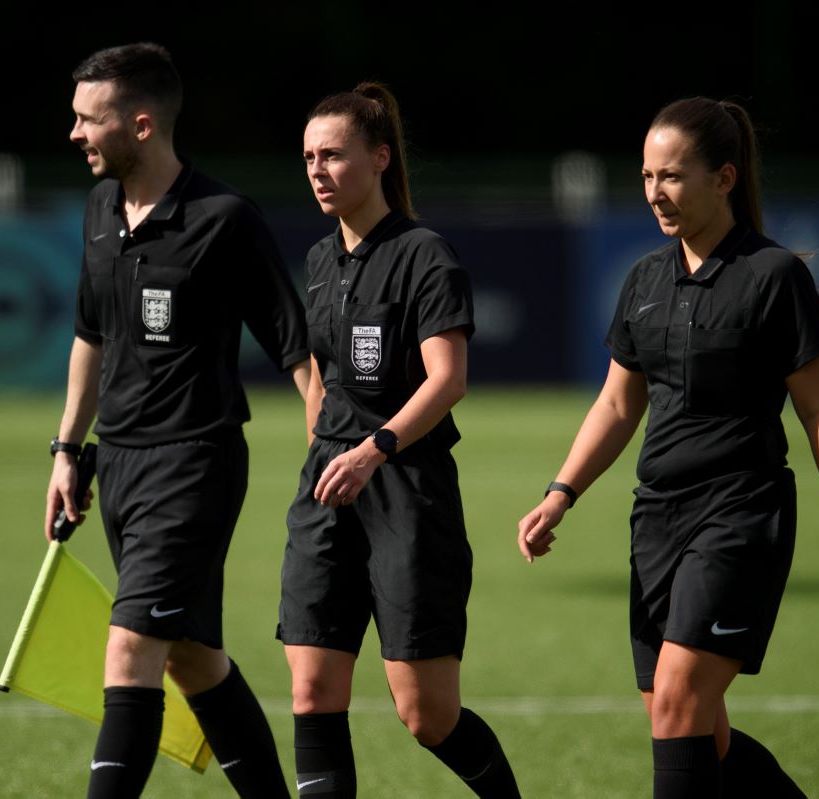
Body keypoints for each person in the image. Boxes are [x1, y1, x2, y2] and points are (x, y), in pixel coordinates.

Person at [517, 96, 819, 798]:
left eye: (673, 176)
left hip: (740, 513)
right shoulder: (644, 279)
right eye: (648, 176)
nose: (656, 192)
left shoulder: (774, 277)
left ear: (724, 177)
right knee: (683, 717)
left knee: (680, 701)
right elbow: (618, 403)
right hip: (657, 516)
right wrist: (559, 493)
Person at [44, 42, 309, 799]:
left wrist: (339, 458)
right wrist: (67, 449)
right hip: (117, 468)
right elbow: (90, 335)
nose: (74, 134)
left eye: (86, 120)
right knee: (193, 657)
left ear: (140, 123)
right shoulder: (99, 210)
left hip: (193, 463)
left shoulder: (225, 219)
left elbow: (296, 349)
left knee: (130, 650)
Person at [276, 83, 520, 798]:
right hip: (328, 487)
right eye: (308, 157)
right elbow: (319, 373)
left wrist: (373, 448)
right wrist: (325, 444)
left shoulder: (424, 255)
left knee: (426, 713)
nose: (318, 170)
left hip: (408, 491)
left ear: (380, 158)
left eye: (334, 155)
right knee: (313, 690)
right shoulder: (321, 261)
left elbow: (448, 379)